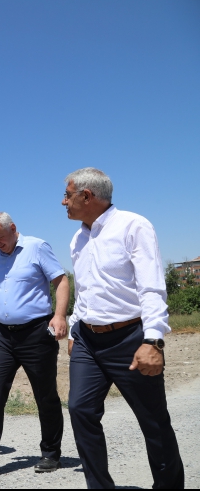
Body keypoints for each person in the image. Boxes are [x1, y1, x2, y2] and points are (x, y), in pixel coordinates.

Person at [62, 168, 184, 489]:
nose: (63, 202)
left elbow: (152, 287)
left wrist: (153, 340)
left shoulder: (133, 226)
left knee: (154, 421)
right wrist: (76, 327)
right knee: (80, 410)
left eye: (68, 195)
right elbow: (85, 290)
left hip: (130, 338)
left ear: (87, 196)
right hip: (88, 340)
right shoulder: (78, 238)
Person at [0, 212, 69, 475]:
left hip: (36, 334)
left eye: (0, 237)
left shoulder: (36, 247)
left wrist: (60, 315)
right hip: (3, 336)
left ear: (13, 229)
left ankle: (51, 453)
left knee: (45, 394)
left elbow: (61, 281)